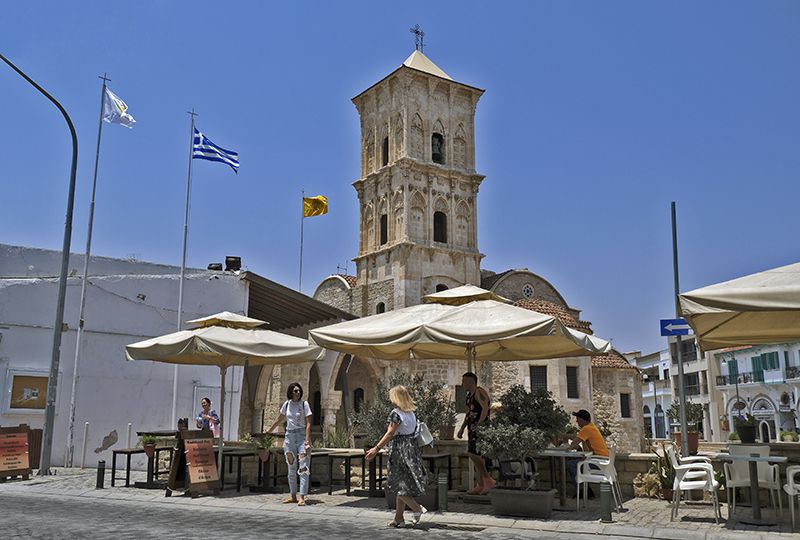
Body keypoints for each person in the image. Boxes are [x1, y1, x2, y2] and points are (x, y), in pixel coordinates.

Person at [366, 385, 428, 528]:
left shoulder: (395, 413)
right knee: (403, 484)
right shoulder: (412, 413)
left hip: (399, 451)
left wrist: (376, 448)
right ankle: (398, 518)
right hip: (411, 450)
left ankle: (417, 508)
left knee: (396, 484)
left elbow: (390, 433)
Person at [267, 382, 313, 506]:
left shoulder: (304, 404)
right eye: (295, 391)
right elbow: (280, 418)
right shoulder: (287, 404)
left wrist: (307, 441)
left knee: (303, 467)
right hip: (289, 437)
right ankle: (293, 495)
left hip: (302, 436)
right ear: (291, 392)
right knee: (291, 467)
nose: (297, 393)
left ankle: (302, 496)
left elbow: (309, 423)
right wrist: (270, 430)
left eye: (299, 390)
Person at [457, 371, 495, 495]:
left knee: (474, 454)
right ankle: (480, 484)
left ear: (470, 382)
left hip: (480, 428)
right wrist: (462, 428)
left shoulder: (479, 392)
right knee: (476, 456)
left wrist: (480, 424)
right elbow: (468, 414)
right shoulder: (469, 396)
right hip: (471, 428)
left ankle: (487, 479)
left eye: (464, 381)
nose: (462, 384)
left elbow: (485, 408)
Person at [566, 409, 609, 497]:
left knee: (571, 464)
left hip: (599, 461)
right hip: (603, 460)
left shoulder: (586, 429)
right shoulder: (591, 426)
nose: (577, 421)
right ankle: (586, 490)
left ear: (582, 420)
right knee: (577, 462)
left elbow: (572, 445)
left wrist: (565, 440)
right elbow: (585, 449)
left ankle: (582, 491)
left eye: (578, 419)